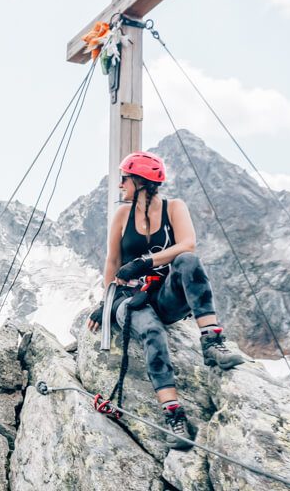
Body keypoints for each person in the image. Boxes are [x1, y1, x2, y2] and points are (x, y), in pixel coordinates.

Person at [86, 151, 244, 450]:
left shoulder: (174, 208)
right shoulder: (122, 215)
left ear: (140, 181)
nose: (121, 184)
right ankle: (174, 415)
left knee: (189, 261)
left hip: (162, 292)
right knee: (151, 331)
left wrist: (147, 261)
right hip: (129, 299)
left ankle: (211, 342)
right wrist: (106, 302)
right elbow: (113, 261)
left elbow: (188, 244)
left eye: (125, 178)